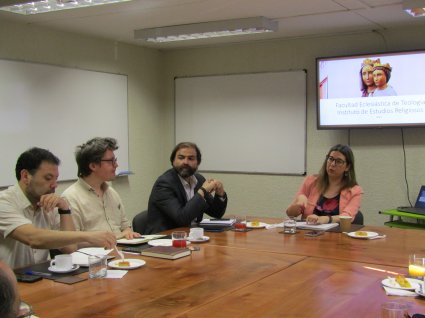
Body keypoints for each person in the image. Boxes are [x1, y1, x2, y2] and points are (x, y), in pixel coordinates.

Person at [0, 147, 116, 269]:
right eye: (48, 178)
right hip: (9, 282)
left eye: (56, 179)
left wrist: (64, 209)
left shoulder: (47, 201)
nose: (54, 185)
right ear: (25, 176)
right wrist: (88, 236)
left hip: (40, 277)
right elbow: (33, 238)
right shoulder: (4, 202)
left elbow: (69, 248)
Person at [62, 137, 140, 240]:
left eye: (115, 160)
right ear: (93, 166)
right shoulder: (70, 198)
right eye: (110, 161)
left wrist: (128, 232)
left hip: (121, 251)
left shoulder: (111, 192)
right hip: (94, 254)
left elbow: (125, 227)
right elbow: (71, 243)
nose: (116, 165)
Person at [145, 142, 228, 234]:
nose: (185, 162)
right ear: (173, 161)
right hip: (165, 239)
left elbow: (216, 213)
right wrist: (203, 191)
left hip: (192, 235)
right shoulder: (164, 184)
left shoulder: (199, 180)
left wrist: (220, 194)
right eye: (181, 158)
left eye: (191, 158)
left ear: (198, 162)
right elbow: (182, 219)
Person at [286, 144, 363, 224]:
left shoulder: (355, 190)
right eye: (330, 159)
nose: (332, 164)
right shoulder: (311, 181)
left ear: (347, 167)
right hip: (308, 233)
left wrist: (326, 219)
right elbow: (290, 214)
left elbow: (348, 216)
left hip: (337, 235)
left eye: (339, 161)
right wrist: (298, 204)